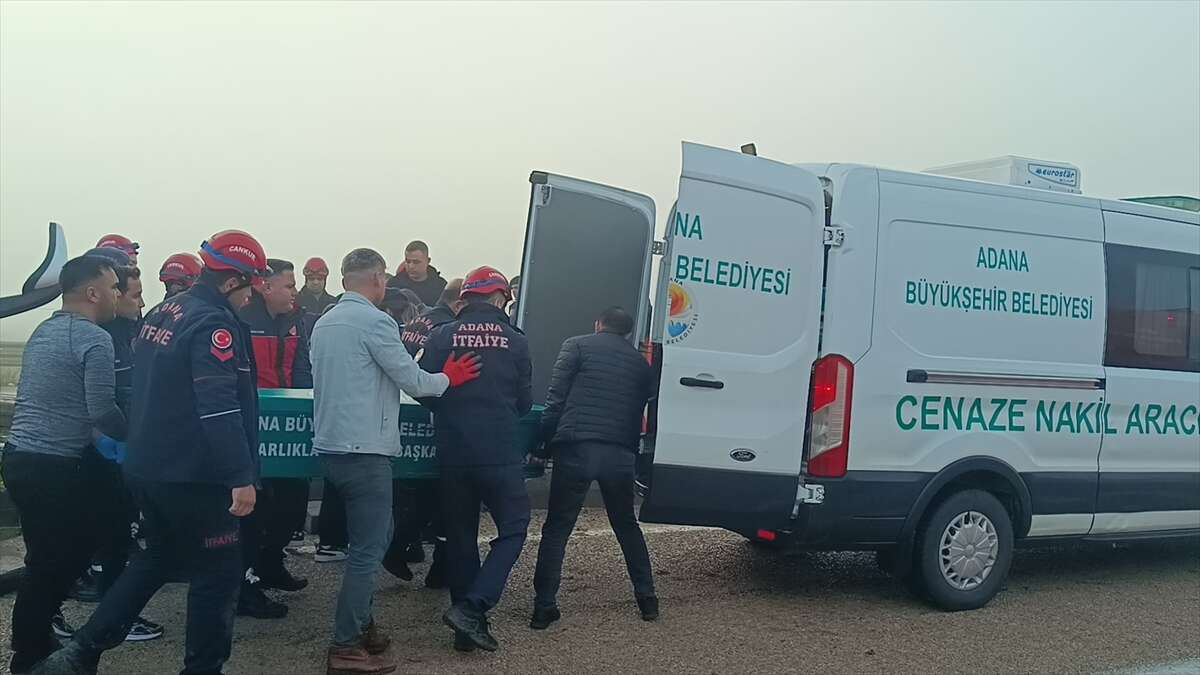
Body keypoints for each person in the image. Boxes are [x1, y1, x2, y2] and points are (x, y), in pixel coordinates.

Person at [37, 230, 269, 675]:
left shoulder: (166, 311)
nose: (253, 292)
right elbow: (218, 407)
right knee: (217, 576)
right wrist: (240, 476)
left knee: (155, 559)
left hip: (150, 467)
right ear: (233, 279)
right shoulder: (213, 324)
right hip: (196, 475)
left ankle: (80, 654)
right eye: (252, 282)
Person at [310, 248, 481, 675]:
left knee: (374, 537)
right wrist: (450, 378)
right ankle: (345, 645)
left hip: (331, 447)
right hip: (365, 450)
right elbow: (414, 380)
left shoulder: (324, 323)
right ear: (378, 280)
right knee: (368, 551)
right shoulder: (376, 322)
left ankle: (362, 624)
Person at [1, 255, 126, 675]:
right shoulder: (94, 339)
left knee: (48, 557)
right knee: (62, 558)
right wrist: (139, 434)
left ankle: (35, 638)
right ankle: (29, 654)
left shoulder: (43, 331)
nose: (118, 295)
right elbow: (102, 413)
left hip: (19, 458)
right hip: (52, 466)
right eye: (112, 286)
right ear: (92, 293)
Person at [417, 266, 532, 653]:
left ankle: (464, 632)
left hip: (453, 452)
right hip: (498, 451)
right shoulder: (515, 341)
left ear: (466, 298)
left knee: (462, 536)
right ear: (500, 298)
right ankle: (474, 606)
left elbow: (424, 390)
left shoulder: (441, 336)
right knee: (514, 529)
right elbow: (524, 402)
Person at [530, 306, 659, 630]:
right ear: (627, 332)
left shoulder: (576, 345)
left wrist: (542, 441)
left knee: (558, 527)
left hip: (577, 446)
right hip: (619, 453)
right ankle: (647, 600)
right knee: (626, 526)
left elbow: (556, 398)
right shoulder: (641, 365)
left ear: (598, 324)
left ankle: (544, 607)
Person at [75, 247, 164, 642]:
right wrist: (120, 440)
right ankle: (113, 622)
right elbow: (95, 405)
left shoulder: (133, 331)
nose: (141, 301)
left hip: (128, 446)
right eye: (133, 294)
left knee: (121, 538)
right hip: (104, 452)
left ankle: (114, 616)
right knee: (113, 538)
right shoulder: (101, 338)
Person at [237, 259, 313, 619]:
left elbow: (303, 370)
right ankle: (245, 584)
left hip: (289, 427)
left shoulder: (299, 321)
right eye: (289, 284)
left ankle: (271, 563)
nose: (295, 291)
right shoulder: (242, 319)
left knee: (292, 505)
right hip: (251, 426)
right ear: (265, 287)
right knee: (253, 511)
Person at [392, 278, 464, 589]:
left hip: (400, 411)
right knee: (435, 493)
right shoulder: (444, 328)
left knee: (413, 490)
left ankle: (404, 545)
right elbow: (430, 376)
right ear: (458, 304)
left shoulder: (420, 320)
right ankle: (405, 548)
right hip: (426, 411)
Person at [386, 240, 447, 306]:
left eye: (416, 262)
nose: (411, 266)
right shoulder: (393, 285)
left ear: (428, 261)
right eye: (408, 261)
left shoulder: (442, 286)